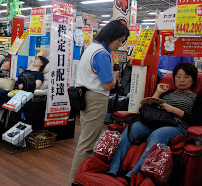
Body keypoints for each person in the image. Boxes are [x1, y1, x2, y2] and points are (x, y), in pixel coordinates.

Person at [108, 62, 202, 179]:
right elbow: (148, 109)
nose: (181, 80)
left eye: (186, 77)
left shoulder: (197, 97)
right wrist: (158, 92)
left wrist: (173, 109)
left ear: (193, 79)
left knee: (157, 135)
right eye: (178, 76)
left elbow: (197, 120)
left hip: (177, 126)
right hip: (157, 121)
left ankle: (133, 175)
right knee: (132, 128)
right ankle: (113, 169)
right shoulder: (167, 93)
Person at [69, 20, 130, 182]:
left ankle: (80, 179)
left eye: (122, 41)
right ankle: (75, 181)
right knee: (87, 143)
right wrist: (116, 73)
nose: (119, 44)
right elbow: (109, 84)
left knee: (87, 139)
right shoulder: (102, 53)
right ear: (112, 36)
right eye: (119, 40)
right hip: (95, 98)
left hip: (85, 96)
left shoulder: (92, 48)